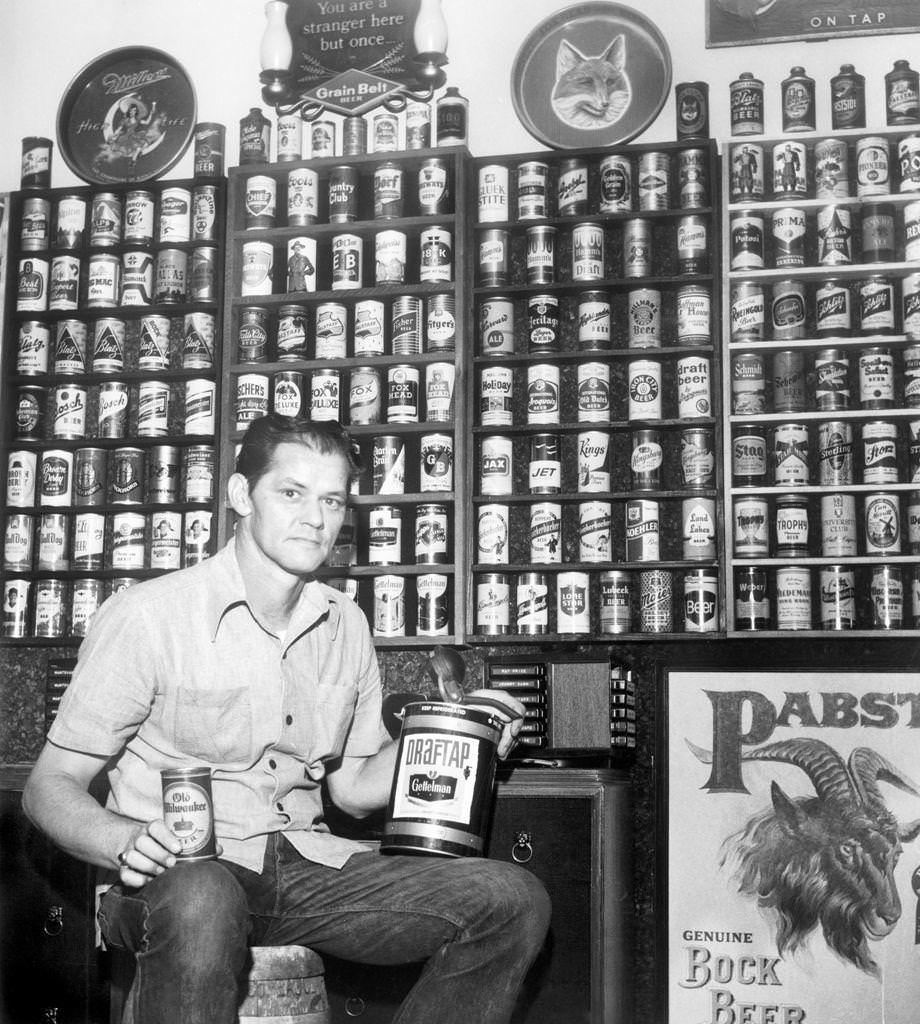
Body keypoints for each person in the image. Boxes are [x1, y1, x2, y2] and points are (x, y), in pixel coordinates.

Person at [23, 414, 551, 1024]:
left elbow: (352, 791)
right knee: (203, 897)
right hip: (177, 876)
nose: (315, 518)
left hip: (305, 866)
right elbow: (48, 786)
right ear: (242, 495)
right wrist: (123, 842)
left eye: (332, 500)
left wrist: (459, 733)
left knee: (511, 899)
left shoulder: (345, 622)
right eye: (292, 493)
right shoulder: (148, 616)